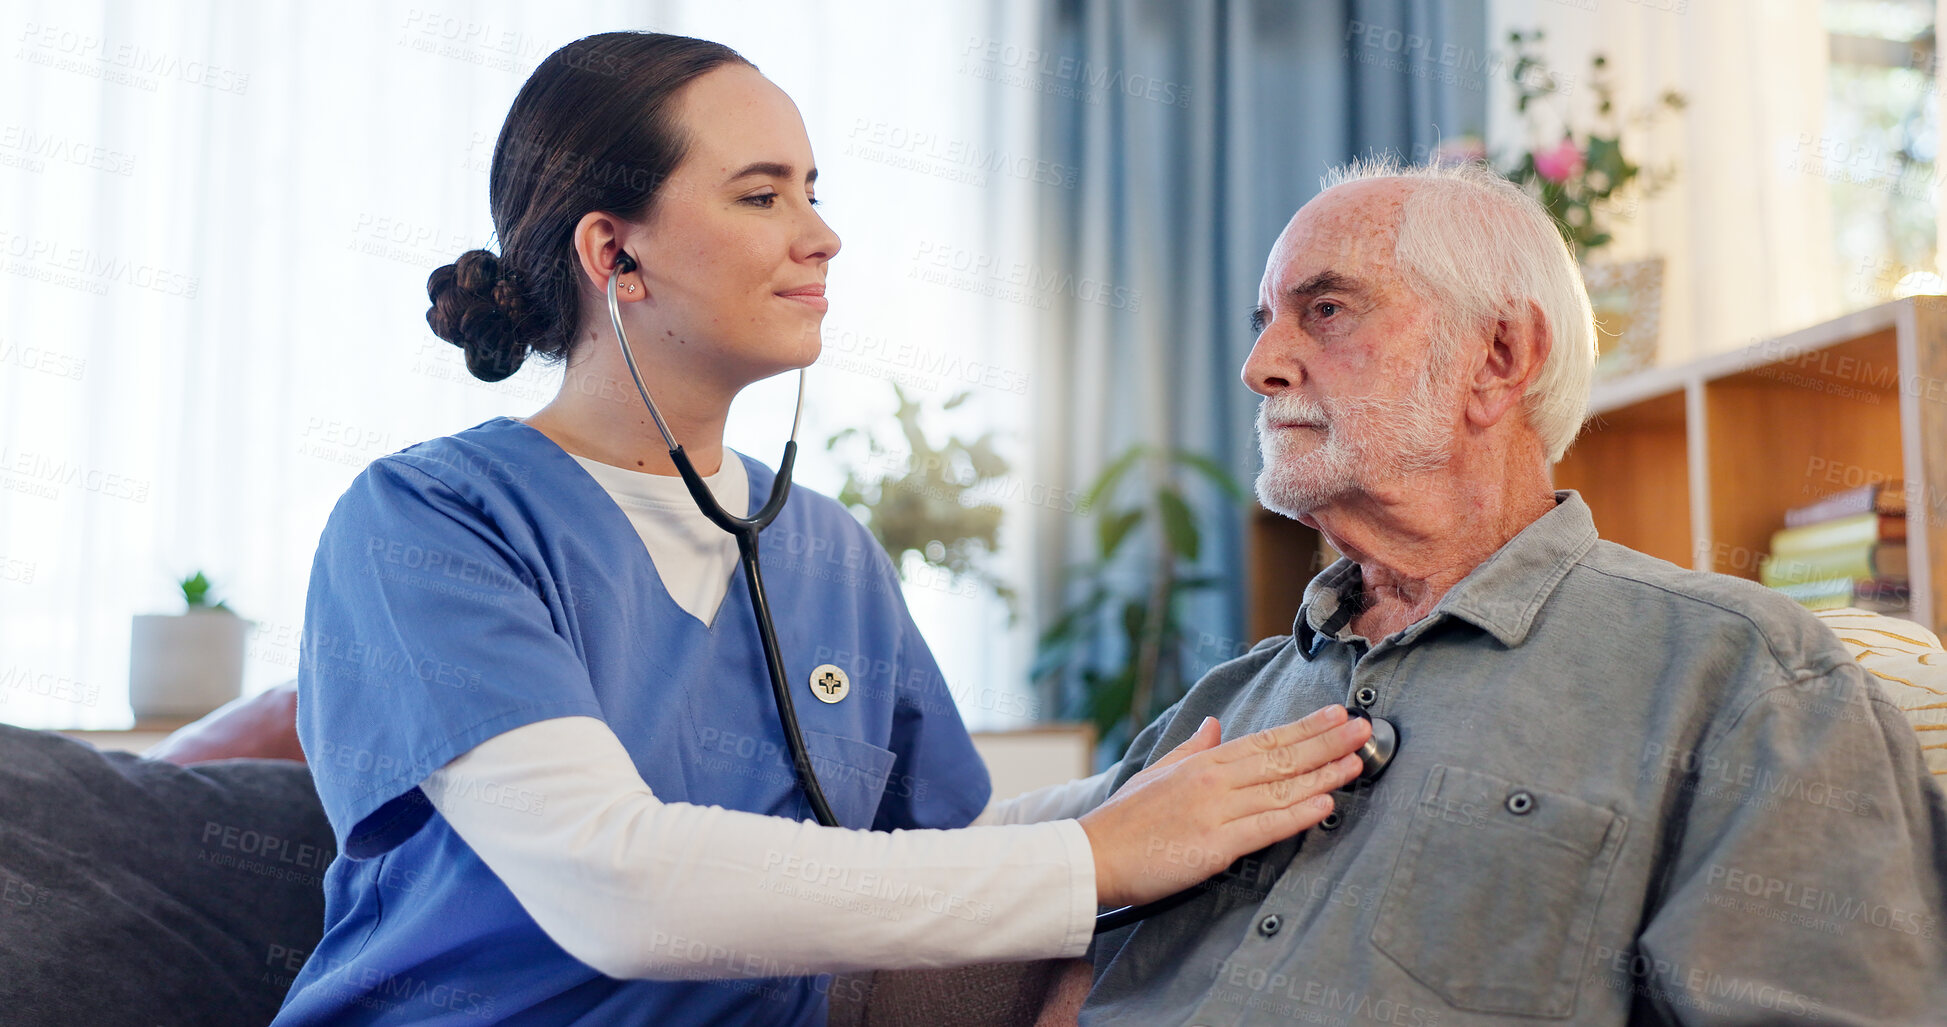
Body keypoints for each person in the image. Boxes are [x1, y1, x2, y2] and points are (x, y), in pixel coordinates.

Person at [272, 31, 1372, 1026]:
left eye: (812, 190)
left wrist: (1176, 793)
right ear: (614, 255)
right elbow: (615, 884)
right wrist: (1099, 853)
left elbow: (946, 860)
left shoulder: (827, 553)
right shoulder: (431, 522)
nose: (824, 236)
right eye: (762, 197)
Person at [1025, 160, 1947, 1024]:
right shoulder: (1221, 705)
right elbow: (1068, 984)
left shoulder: (1744, 679)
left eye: (1328, 309)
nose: (1259, 364)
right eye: (1266, 318)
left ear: (1498, 356)